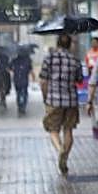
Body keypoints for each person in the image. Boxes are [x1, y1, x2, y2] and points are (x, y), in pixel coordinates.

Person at [38, 32, 81, 175]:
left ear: (57, 44)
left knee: (53, 129)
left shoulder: (49, 58)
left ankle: (60, 150)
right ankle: (65, 157)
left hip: (53, 99)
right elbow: (79, 80)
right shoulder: (75, 60)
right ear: (69, 44)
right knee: (68, 130)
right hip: (71, 100)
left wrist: (45, 97)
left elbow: (43, 80)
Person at [10, 47, 33, 114]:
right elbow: (30, 70)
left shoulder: (14, 60)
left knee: (18, 93)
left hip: (16, 79)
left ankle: (19, 106)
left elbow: (9, 68)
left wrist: (14, 71)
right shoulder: (28, 60)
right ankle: (23, 106)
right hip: (24, 80)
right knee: (25, 93)